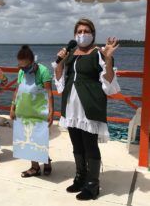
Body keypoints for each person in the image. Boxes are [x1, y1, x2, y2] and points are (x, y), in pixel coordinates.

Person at [52, 18, 120, 200]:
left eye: (86, 31)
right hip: (71, 108)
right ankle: (80, 177)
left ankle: (92, 184)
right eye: (79, 31)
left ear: (92, 34)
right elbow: (60, 80)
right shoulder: (71, 53)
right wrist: (59, 60)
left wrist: (108, 58)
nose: (82, 34)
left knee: (90, 146)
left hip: (88, 107)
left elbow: (109, 82)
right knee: (77, 145)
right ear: (75, 34)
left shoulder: (98, 53)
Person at [10, 45, 54, 178]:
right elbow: (18, 90)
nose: (23, 68)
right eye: (20, 66)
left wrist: (51, 112)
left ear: (32, 61)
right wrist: (12, 107)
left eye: (25, 65)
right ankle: (34, 167)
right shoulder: (21, 72)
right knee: (27, 139)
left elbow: (49, 92)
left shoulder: (43, 71)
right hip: (24, 109)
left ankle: (46, 161)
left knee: (39, 138)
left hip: (39, 110)